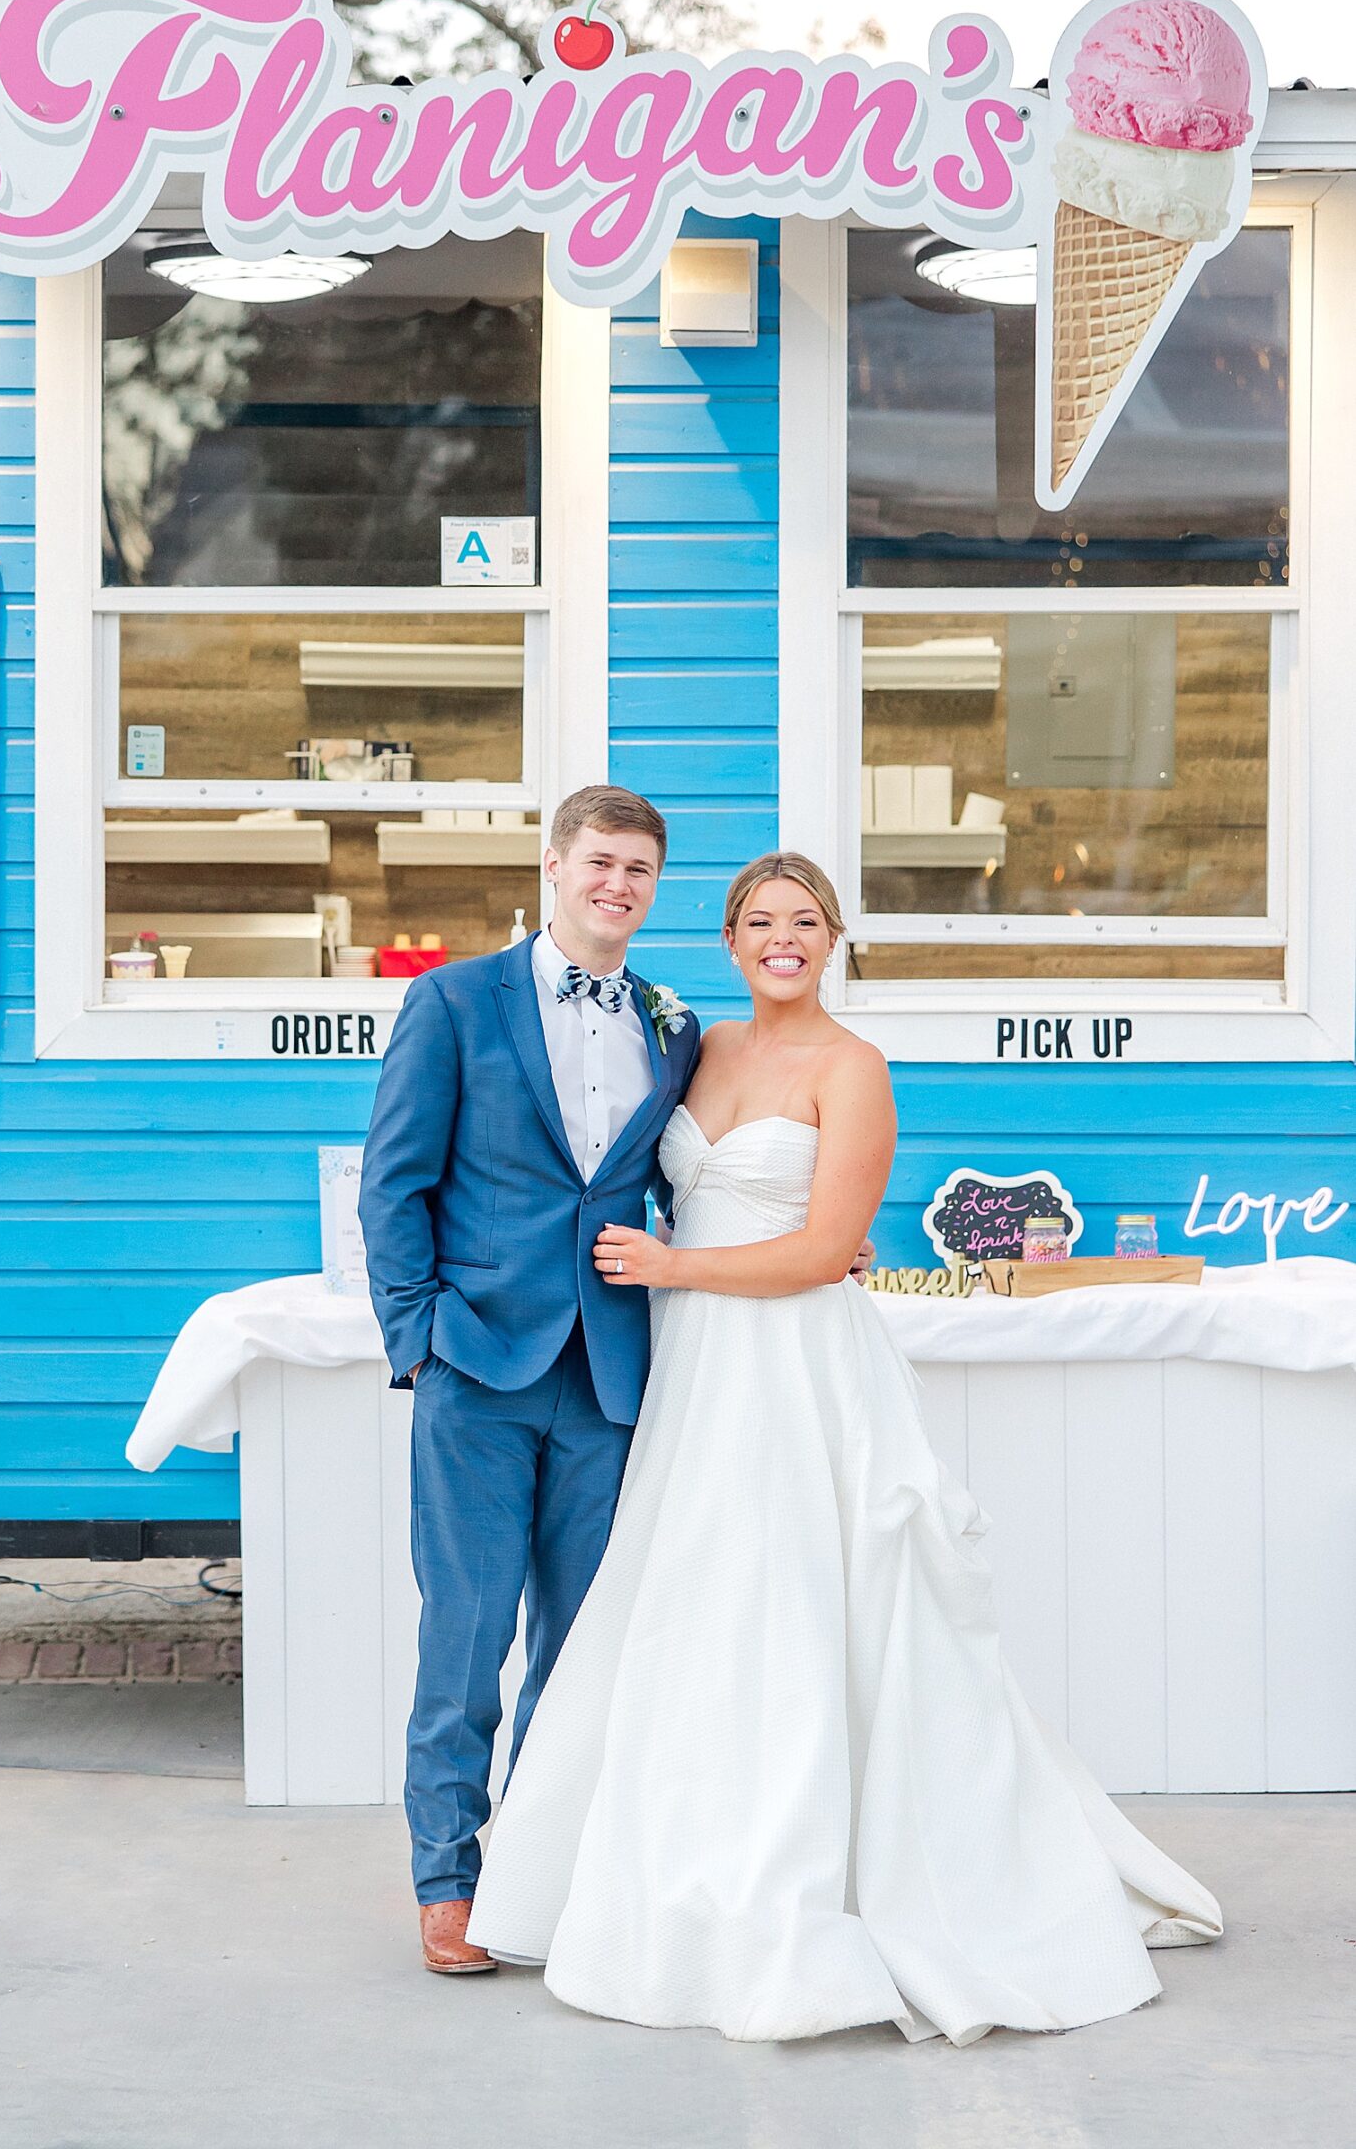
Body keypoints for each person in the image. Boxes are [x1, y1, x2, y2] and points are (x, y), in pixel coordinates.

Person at [466, 850, 1222, 2044]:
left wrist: (677, 1267)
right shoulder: (695, 1049)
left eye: (805, 922)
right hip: (696, 1374)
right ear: (729, 938)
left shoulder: (854, 1066)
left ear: (834, 939)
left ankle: (836, 1879)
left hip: (798, 1366)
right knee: (690, 1604)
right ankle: (656, 1878)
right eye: (760, 921)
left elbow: (826, 1249)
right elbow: (643, 1174)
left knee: (807, 1605)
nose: (783, 939)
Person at [359, 785, 701, 1976]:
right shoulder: (454, 1000)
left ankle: (537, 1872)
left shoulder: (672, 1026)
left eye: (641, 871)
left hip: (611, 1373)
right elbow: (392, 1184)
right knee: (465, 1629)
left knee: (578, 1640)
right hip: (480, 1365)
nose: (619, 884)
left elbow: (697, 1176)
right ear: (554, 865)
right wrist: (417, 1337)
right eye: (600, 861)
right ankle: (445, 1881)